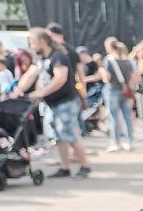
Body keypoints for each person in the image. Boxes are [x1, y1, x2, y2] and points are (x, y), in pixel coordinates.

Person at [12, 27, 91, 178]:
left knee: (69, 133)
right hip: (53, 103)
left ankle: (85, 165)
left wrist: (41, 92)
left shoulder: (58, 57)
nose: (31, 45)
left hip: (66, 101)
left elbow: (60, 78)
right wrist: (17, 90)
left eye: (33, 41)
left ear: (42, 42)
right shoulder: (41, 59)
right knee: (58, 135)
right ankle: (65, 167)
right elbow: (30, 74)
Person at [101, 38, 135, 151]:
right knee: (127, 117)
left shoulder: (109, 60)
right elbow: (134, 77)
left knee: (114, 118)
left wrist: (102, 72)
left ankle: (116, 142)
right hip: (126, 91)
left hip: (113, 90)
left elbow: (107, 78)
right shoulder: (129, 61)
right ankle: (129, 141)